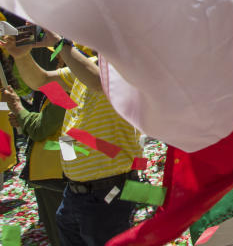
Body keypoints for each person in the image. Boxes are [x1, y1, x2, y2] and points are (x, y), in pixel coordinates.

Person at [0, 32, 141, 246]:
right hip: (70, 185)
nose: (61, 59)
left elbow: (41, 128)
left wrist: (19, 109)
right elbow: (41, 81)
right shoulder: (75, 79)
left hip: (100, 189)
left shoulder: (120, 70)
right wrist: (22, 57)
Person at [4, 80, 66, 246]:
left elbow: (41, 128)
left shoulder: (67, 86)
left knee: (61, 231)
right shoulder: (55, 84)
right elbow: (42, 118)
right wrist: (24, 118)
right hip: (48, 170)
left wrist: (18, 107)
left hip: (56, 173)